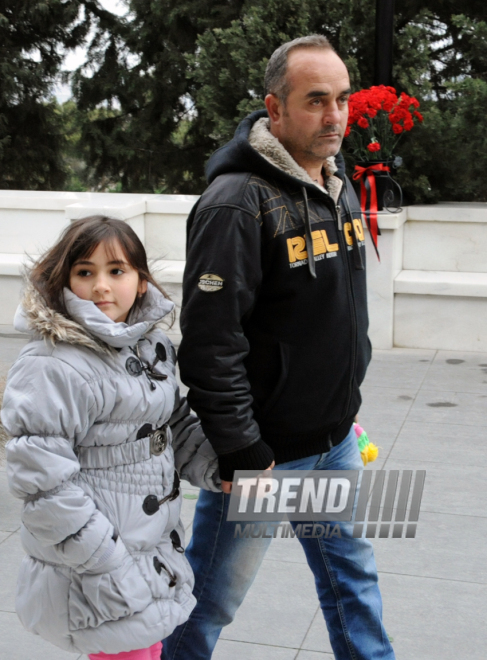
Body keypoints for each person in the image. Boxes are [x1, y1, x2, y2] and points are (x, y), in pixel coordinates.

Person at [163, 35, 395, 660]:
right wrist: (245, 452)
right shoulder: (236, 203)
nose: (335, 115)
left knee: (353, 584)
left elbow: (335, 315)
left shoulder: (337, 184)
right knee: (207, 601)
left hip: (336, 440)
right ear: (274, 107)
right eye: (316, 100)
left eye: (342, 99)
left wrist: (340, 397)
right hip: (266, 459)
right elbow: (211, 343)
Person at [1, 216, 219, 660]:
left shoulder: (149, 346)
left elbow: (170, 425)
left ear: (141, 282)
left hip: (146, 547)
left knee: (145, 646)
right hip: (99, 563)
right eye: (85, 272)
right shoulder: (52, 363)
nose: (102, 286)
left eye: (116, 271)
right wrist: (107, 562)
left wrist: (219, 466)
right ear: (64, 282)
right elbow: (42, 482)